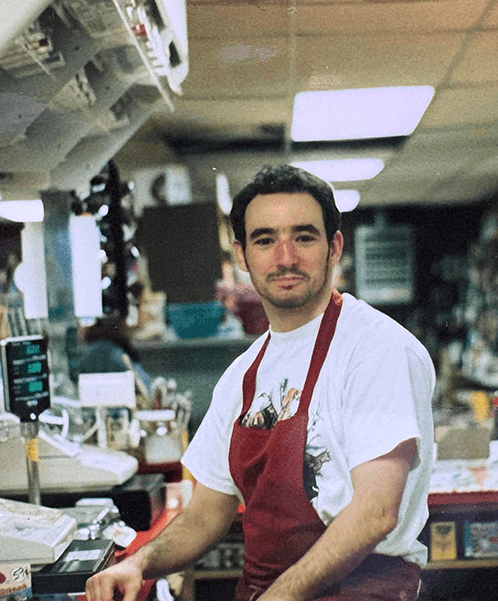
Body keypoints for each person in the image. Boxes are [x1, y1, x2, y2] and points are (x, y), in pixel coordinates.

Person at [85, 165, 435, 601]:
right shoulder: (243, 374)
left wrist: (279, 598)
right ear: (242, 255)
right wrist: (139, 563)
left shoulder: (377, 348)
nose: (285, 257)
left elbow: (375, 512)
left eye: (304, 237)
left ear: (334, 248)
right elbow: (206, 513)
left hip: (362, 591)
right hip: (265, 591)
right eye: (265, 239)